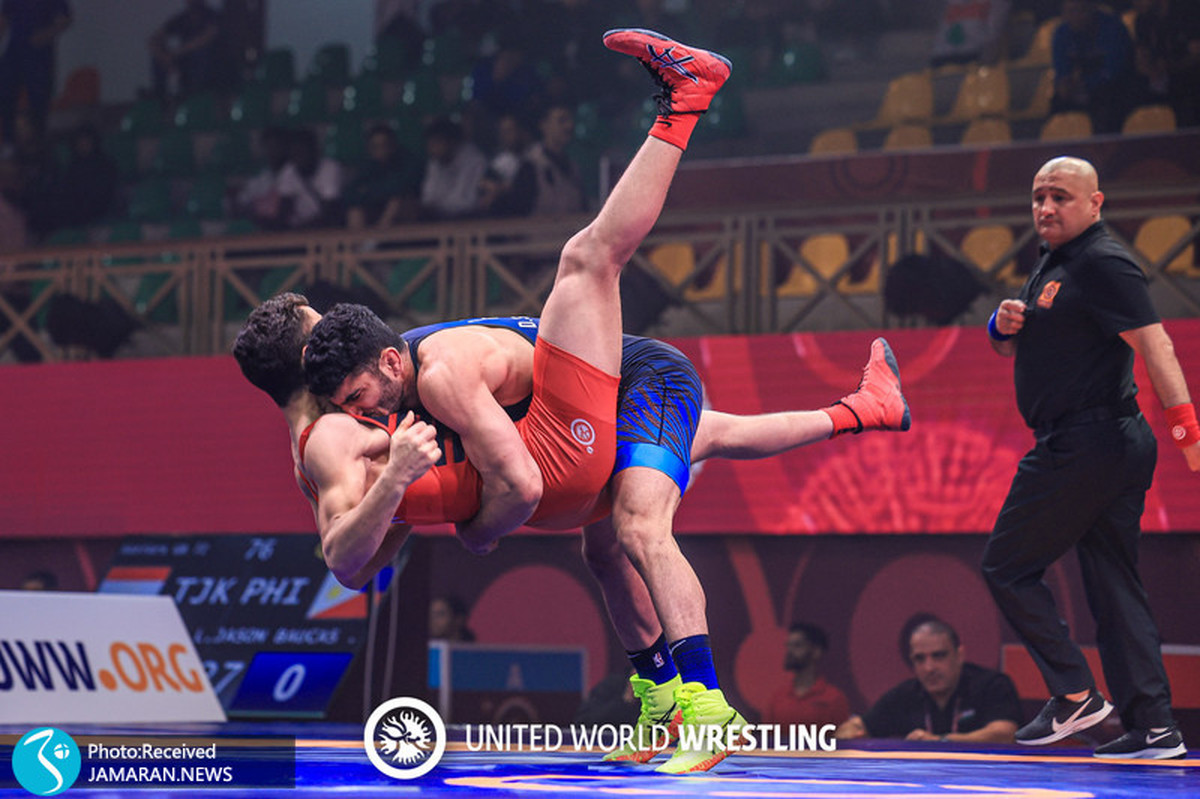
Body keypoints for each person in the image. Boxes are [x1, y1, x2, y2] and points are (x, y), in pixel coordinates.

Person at [302, 31, 909, 775]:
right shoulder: (403, 378)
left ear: (390, 362)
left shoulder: (440, 379)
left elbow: (519, 487)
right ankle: (865, 409)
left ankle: (710, 710)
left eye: (360, 398)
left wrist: (474, 532)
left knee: (634, 502)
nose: (362, 416)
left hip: (643, 379)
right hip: (600, 396)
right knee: (644, 510)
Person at [982, 156, 1198, 760]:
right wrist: (1000, 326)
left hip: (1087, 443)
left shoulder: (1103, 261)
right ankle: (1154, 727)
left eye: (1061, 197)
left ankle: (1075, 695)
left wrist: (1189, 436)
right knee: (1113, 586)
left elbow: (1157, 345)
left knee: (1006, 566)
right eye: (1038, 197)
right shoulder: (1056, 260)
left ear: (1096, 203)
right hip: (1101, 443)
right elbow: (1022, 346)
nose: (1046, 208)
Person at [835, 614, 1022, 743]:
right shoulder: (905, 695)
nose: (929, 668)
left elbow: (1004, 734)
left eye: (939, 656)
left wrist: (941, 741)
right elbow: (860, 725)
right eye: (920, 659)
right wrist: (850, 731)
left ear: (959, 655)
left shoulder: (992, 685)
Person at [487, 100, 588, 218]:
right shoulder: (531, 167)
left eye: (570, 120)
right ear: (544, 125)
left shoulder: (573, 167)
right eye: (561, 120)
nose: (569, 126)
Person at [1050, 0, 1137, 134]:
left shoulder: (1113, 28)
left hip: (1114, 89)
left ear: (1092, 9)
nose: (1075, 16)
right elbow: (1062, 70)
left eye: (1080, 10)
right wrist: (1064, 85)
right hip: (1080, 89)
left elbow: (1115, 69)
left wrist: (1086, 86)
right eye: (1069, 11)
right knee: (1058, 103)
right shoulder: (1062, 33)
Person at [0, 0, 71, 143]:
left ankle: (37, 145)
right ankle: (9, 143)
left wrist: (45, 35)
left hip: (39, 57)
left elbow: (64, 20)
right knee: (5, 97)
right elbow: (4, 20)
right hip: (15, 53)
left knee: (38, 103)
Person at [765, 622, 850, 728]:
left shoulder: (834, 699)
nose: (789, 651)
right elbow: (767, 737)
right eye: (788, 646)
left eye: (797, 645)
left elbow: (842, 737)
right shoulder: (777, 698)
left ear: (816, 652)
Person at [1131, 0, 1200, 128]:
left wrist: (1171, 66)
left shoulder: (1190, 13)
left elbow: (1196, 57)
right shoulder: (1142, 20)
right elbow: (1141, 56)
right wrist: (1147, 67)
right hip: (1157, 85)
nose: (1135, 2)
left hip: (1189, 86)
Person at [344, 124, 422, 231]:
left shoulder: (407, 161)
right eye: (375, 147)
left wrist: (371, 190)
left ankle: (379, 237)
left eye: (384, 146)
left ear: (393, 146)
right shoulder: (366, 165)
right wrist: (376, 192)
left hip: (403, 211)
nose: (380, 151)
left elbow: (401, 188)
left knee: (395, 202)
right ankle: (359, 241)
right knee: (355, 210)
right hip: (375, 206)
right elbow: (351, 193)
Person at [148, 0, 222, 103]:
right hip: (185, 61)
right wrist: (164, 56)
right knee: (158, 59)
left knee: (201, 54)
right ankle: (160, 97)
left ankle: (197, 93)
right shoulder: (181, 18)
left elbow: (207, 37)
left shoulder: (212, 15)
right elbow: (153, 40)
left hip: (212, 64)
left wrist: (178, 52)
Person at [418, 116, 488, 220]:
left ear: (452, 142)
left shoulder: (473, 160)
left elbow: (467, 203)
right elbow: (428, 199)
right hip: (440, 220)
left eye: (437, 142)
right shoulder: (434, 163)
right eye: (430, 143)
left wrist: (438, 205)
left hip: (470, 221)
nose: (432, 148)